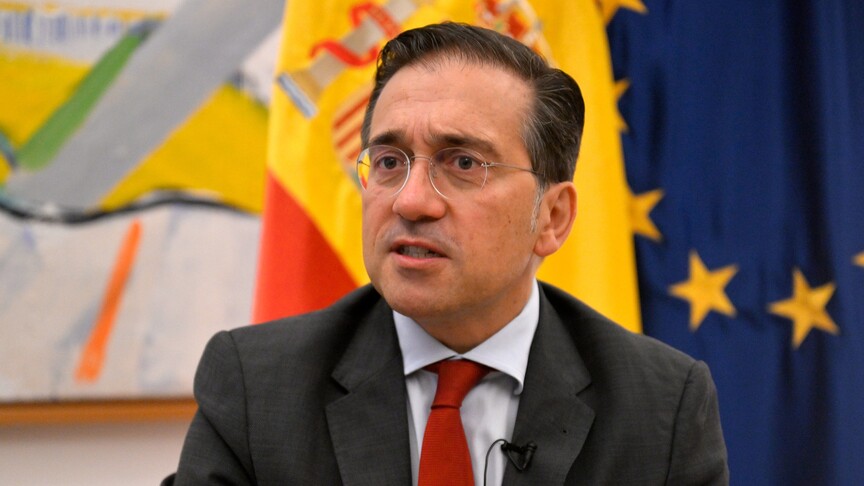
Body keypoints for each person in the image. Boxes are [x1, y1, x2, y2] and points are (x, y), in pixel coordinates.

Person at [169, 22, 728, 485]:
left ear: (552, 217)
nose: (410, 201)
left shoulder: (661, 408)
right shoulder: (257, 387)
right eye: (389, 162)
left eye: (463, 163)